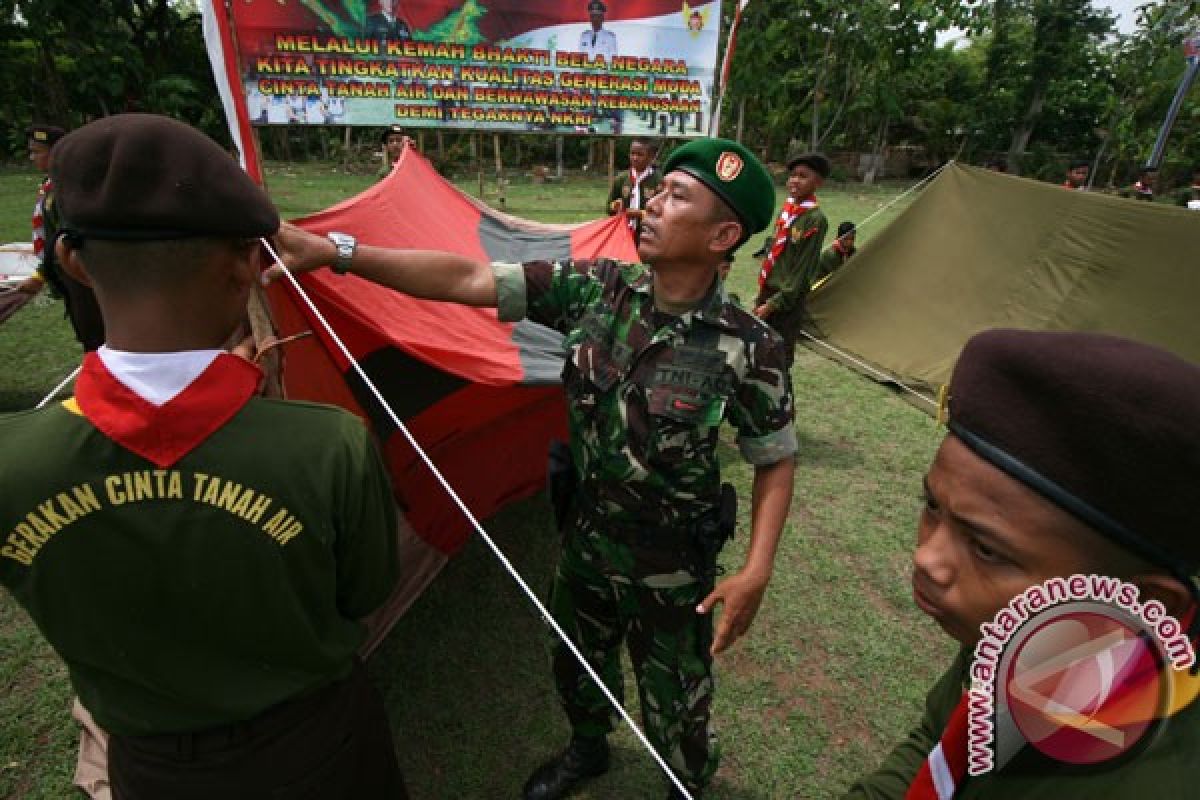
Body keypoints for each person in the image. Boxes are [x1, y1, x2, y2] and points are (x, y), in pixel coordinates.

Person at [267, 137, 799, 800]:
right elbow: (465, 279)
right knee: (577, 664)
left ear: (723, 235)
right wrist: (337, 252)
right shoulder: (594, 289)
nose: (652, 204)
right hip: (583, 542)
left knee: (678, 700)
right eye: (656, 190)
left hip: (672, 571)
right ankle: (587, 749)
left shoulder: (752, 346)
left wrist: (757, 568)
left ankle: (685, 782)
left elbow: (774, 457)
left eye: (675, 197)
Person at [0, 113, 407, 799]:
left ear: (72, 261)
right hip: (322, 753)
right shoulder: (329, 445)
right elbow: (365, 594)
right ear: (250, 263)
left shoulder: (14, 461)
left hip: (152, 771)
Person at [843, 328, 1200, 799]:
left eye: (988, 550)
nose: (926, 558)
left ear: (1144, 602)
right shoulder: (1044, 634)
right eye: (932, 506)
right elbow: (941, 747)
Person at [15, 123, 105, 351]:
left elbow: (67, 238)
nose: (31, 156)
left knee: (94, 336)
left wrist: (39, 276)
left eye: (37, 151)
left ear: (56, 153)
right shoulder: (50, 184)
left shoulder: (67, 187)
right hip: (67, 273)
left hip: (80, 274)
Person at [753, 152, 830, 364]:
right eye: (793, 175)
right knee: (759, 350)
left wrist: (774, 303)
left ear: (818, 183)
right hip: (769, 290)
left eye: (803, 176)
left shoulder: (814, 220)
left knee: (779, 355)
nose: (795, 180)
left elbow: (802, 270)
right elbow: (775, 253)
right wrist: (763, 293)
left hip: (786, 300)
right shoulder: (787, 211)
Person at [606, 137, 662, 245]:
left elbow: (663, 214)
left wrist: (641, 214)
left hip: (649, 236)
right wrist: (615, 206)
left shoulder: (658, 181)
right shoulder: (622, 179)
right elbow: (609, 207)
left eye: (640, 154)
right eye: (632, 153)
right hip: (623, 235)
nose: (635, 158)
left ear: (651, 157)